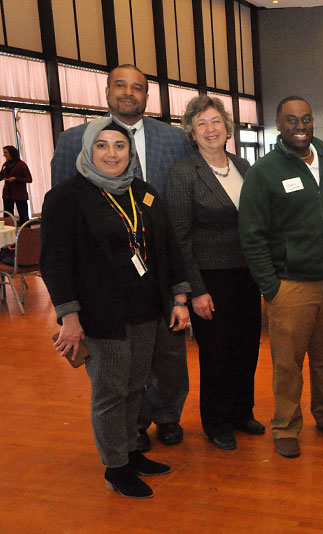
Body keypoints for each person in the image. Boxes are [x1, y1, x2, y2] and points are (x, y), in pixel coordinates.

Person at [40, 117, 190, 498]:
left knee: (135, 386)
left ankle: (130, 452)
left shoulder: (144, 192)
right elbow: (55, 261)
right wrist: (69, 317)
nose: (112, 153)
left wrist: (178, 297)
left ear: (130, 152)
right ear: (89, 150)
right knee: (109, 392)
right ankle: (116, 467)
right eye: (102, 145)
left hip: (145, 311)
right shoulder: (66, 197)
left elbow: (166, 248)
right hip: (98, 315)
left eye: (120, 146)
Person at [239, 96, 323, 459]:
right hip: (289, 287)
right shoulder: (263, 172)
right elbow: (251, 234)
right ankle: (286, 426)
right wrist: (270, 287)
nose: (299, 126)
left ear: (313, 122)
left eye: (305, 119)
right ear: (278, 124)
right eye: (290, 120)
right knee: (288, 365)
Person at [166, 96, 263, 451]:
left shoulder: (242, 166)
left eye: (216, 122)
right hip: (210, 279)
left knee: (246, 347)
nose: (210, 129)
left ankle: (242, 412)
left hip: (247, 277)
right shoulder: (183, 173)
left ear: (227, 127)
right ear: (191, 132)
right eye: (202, 123)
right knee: (217, 353)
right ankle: (217, 421)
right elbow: (179, 236)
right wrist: (196, 290)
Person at [1, 146, 32, 223]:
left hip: (19, 194)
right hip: (7, 194)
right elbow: (1, 176)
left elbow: (29, 179)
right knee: (7, 216)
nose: (4, 155)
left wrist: (16, 179)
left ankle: (26, 233)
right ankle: (10, 233)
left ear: (11, 153)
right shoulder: (5, 165)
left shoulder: (21, 164)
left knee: (23, 215)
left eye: (5, 153)